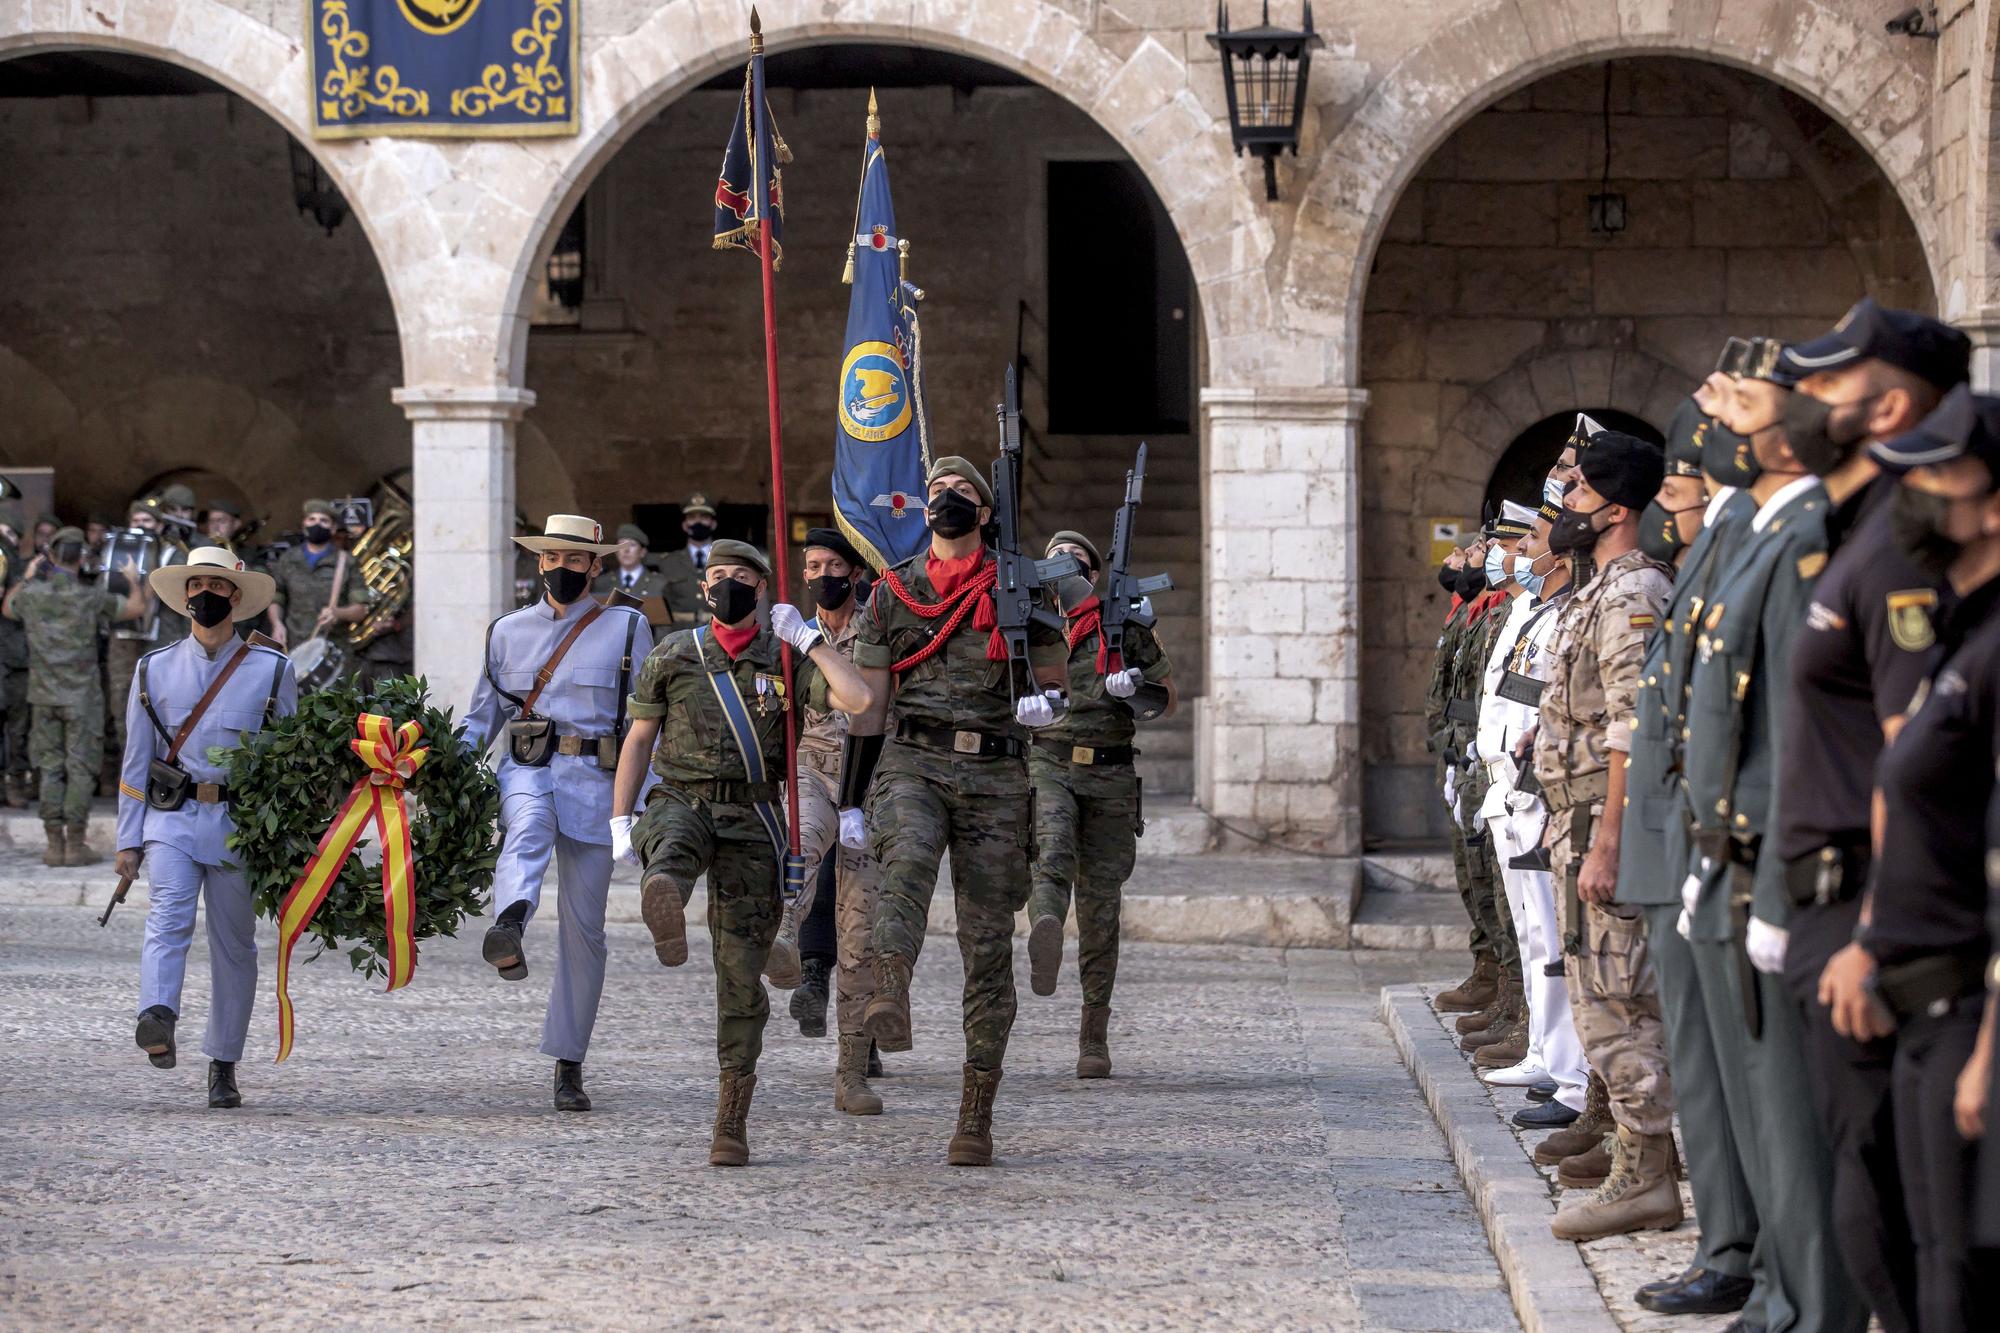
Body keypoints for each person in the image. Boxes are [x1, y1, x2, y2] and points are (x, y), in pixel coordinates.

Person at [1761, 301, 1968, 1332]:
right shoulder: (1846, 533)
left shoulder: (1892, 548)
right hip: (1823, 908)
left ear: (1886, 404)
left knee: (1890, 1214)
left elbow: (1910, 762)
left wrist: (1876, 936)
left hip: (1861, 914)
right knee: (1868, 1194)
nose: (1799, 403)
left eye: (1825, 385)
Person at [1682, 336, 1866, 1332]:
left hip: (1766, 859)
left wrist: (1781, 875)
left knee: (1788, 1113)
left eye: (1745, 406)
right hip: (1727, 852)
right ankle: (1780, 1292)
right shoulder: (1766, 533)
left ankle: (1812, 1305)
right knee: (1761, 1102)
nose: (1725, 425)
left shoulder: (1804, 541)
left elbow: (1800, 729)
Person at [1818, 388, 2000, 1331]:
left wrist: (1990, 1052)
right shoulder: (1961, 634)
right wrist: (1869, 940)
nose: (1915, 492)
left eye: (1937, 475)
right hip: (1915, 996)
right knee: (1923, 1267)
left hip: (1968, 1008)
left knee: (1959, 1282)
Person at [615, 539, 872, 1163]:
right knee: (670, 843)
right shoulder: (673, 653)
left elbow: (859, 700)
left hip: (755, 813)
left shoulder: (783, 654)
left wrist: (808, 640)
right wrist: (621, 817)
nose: (728, 584)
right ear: (704, 590)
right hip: (682, 796)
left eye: (742, 577)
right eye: (717, 576)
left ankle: (732, 1113)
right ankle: (666, 895)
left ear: (762, 589)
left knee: (740, 972)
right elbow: (641, 736)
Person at [846, 455, 1068, 1167]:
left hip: (997, 770)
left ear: (986, 510)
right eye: (937, 491)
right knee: (904, 860)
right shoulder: (892, 592)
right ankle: (891, 988)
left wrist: (1047, 706)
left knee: (985, 941)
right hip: (913, 759)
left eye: (963, 492)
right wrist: (851, 795)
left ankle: (977, 1109)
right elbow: (873, 706)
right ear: (922, 507)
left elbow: (1058, 684)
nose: (947, 500)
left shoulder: (1023, 585)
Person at [1616, 391, 1765, 1322]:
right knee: (1705, 1065)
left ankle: (1740, 1246)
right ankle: (1730, 1240)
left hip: (1699, 838)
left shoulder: (1742, 537)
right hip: (1674, 837)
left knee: (1727, 1072)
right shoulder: (1706, 544)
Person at [1532, 429, 1682, 1242]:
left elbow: (1636, 724)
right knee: (1597, 993)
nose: (1568, 505)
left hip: (1601, 816)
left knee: (1618, 998)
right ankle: (1636, 1150)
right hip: (1573, 811)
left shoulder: (1634, 590)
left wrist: (1611, 838)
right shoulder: (1599, 586)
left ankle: (1647, 1172)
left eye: (1581, 493)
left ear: (1617, 507)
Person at [463, 515, 652, 1115]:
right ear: (538, 562)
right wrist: (440, 770)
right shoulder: (506, 631)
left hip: (600, 786)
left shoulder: (628, 628)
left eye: (576, 561)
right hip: (528, 768)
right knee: (526, 824)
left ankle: (569, 1062)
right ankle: (511, 921)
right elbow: (479, 718)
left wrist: (640, 804)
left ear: (596, 566)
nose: (563, 569)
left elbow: (645, 723)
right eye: (552, 559)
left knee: (586, 933)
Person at [117, 547, 296, 1108]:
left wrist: (290, 838)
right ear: (183, 596)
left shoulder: (273, 670)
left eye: (217, 588)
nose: (204, 597)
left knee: (235, 947)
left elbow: (290, 758)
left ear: (236, 599)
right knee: (167, 919)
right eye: (196, 586)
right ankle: (158, 1013)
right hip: (171, 819)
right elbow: (135, 758)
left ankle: (224, 1063)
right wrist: (128, 839)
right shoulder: (155, 667)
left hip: (242, 826)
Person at [1023, 528, 1176, 1079]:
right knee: (1053, 846)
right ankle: (1044, 924)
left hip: (1109, 769)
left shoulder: (1125, 624)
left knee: (1101, 905)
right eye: (1054, 557)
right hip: (1051, 759)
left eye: (1076, 560)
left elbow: (1166, 699)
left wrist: (1131, 689)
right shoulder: (1029, 626)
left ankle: (1093, 1032)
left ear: (1093, 576)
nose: (1064, 564)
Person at [1478, 506, 1595, 1149]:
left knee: (1558, 938)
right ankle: (1548, 1054)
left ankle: (1573, 1075)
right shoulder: (1535, 611)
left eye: (1530, 537)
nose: (1519, 550)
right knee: (1533, 933)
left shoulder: (1567, 608)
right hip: (1511, 780)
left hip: (1541, 783)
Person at [763, 526, 888, 1112]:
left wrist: (811, 641)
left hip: (870, 777)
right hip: (812, 768)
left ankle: (853, 1068)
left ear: (854, 574)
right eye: (810, 565)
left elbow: (866, 697)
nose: (818, 575)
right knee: (803, 847)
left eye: (830, 565)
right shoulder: (786, 631)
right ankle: (786, 941)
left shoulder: (877, 628)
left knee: (860, 925)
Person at [2, 527, 145, 865]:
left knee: (50, 767)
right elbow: (135, 608)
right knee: (80, 767)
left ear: (50, 556)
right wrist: (133, 580)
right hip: (82, 698)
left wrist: (28, 575)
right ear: (82, 558)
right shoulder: (90, 596)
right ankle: (75, 844)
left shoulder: (33, 594)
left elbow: (8, 607)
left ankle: (53, 844)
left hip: (43, 696)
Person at [1428, 538, 1501, 1016]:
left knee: (1490, 876)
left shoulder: (1497, 612)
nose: (1460, 556)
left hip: (1482, 754)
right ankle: (1490, 969)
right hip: (1459, 748)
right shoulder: (1470, 608)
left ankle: (1507, 988)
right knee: (1471, 874)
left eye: (1477, 549)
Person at [265, 499, 364, 650]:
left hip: (333, 648)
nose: (316, 524)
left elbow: (360, 610)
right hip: (294, 646)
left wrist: (338, 613)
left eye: (323, 520)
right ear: (304, 524)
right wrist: (277, 625)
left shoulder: (346, 562)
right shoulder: (288, 558)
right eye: (312, 519)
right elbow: (276, 597)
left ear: (333, 528)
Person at [654, 494, 719, 625]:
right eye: (692, 517)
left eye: (704, 517)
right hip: (680, 635)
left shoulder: (725, 559)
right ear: (684, 525)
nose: (698, 522)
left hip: (719, 633)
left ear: (713, 524)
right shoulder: (668, 562)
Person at [591, 524, 670, 603]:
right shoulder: (602, 582)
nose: (626, 550)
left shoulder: (659, 583)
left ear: (643, 552)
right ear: (615, 551)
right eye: (621, 545)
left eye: (632, 545)